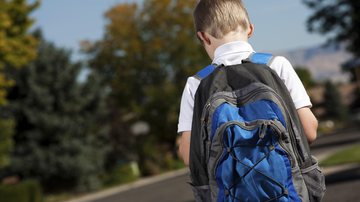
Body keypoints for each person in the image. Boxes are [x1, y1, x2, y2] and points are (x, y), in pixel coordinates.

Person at [177, 0, 318, 165]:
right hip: (286, 184)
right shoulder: (276, 65)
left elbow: (189, 155)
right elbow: (309, 131)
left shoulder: (196, 83)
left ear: (203, 37)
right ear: (250, 29)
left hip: (229, 189)